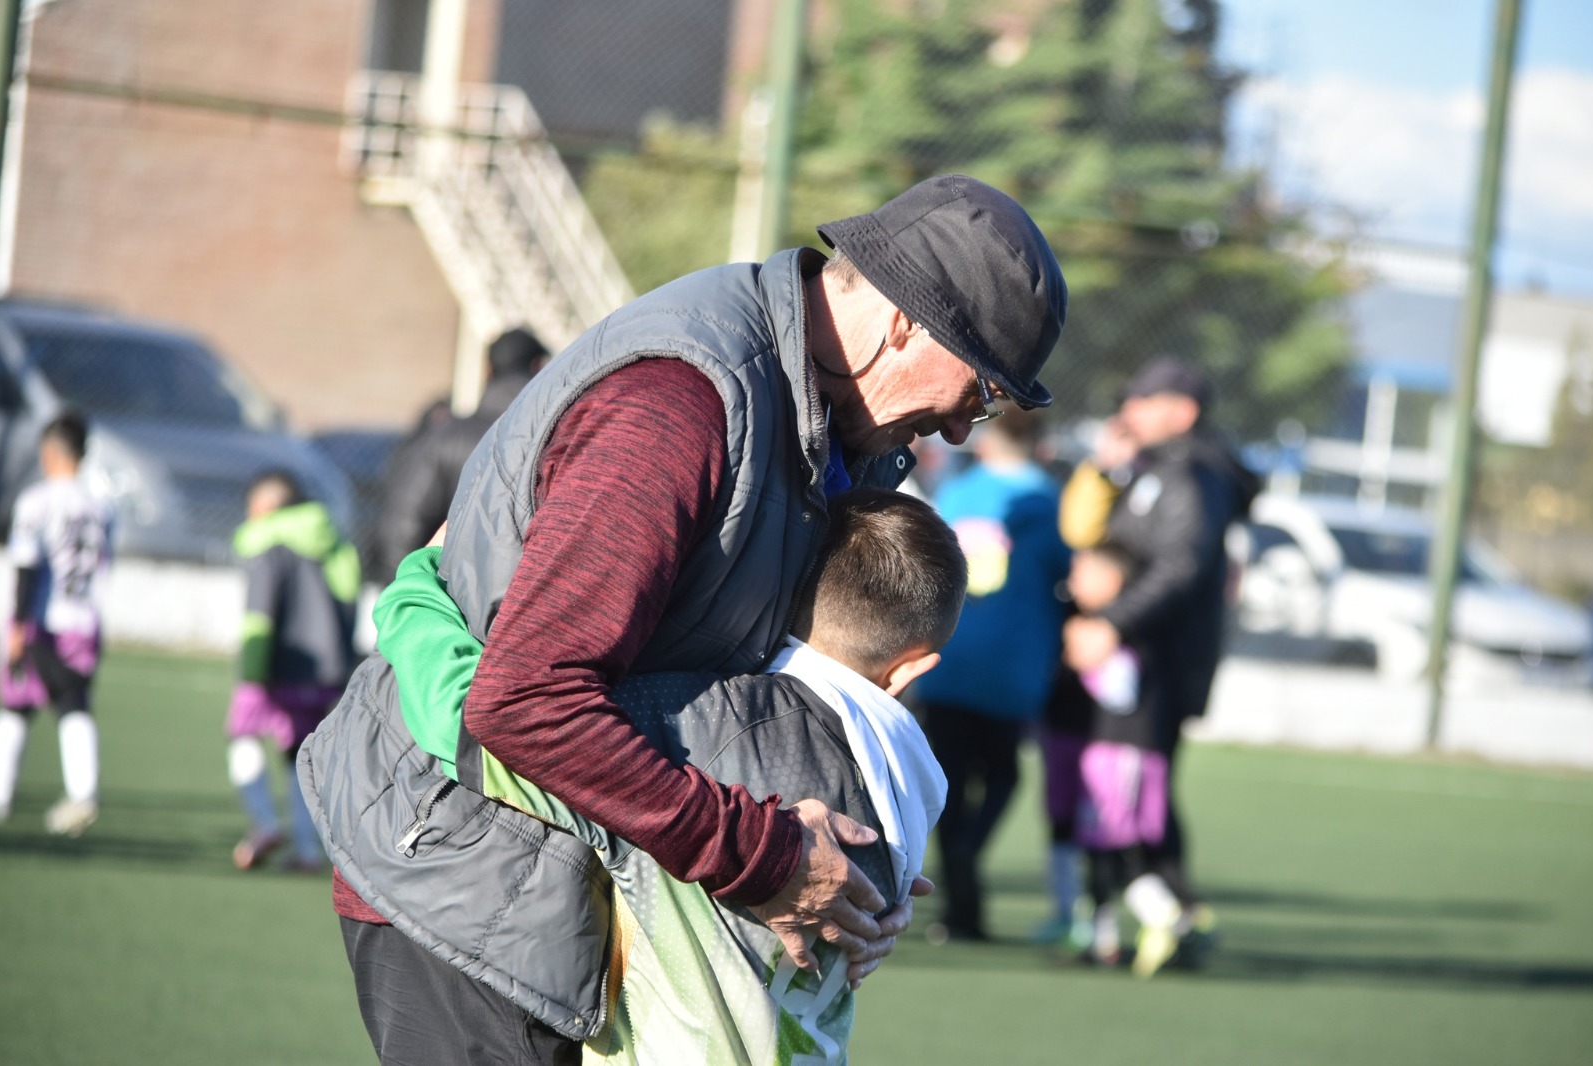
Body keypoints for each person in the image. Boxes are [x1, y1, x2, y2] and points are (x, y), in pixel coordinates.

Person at [300, 173, 1069, 1064]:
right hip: (469, 876)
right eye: (983, 390)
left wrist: (853, 868)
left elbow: (737, 684)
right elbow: (523, 702)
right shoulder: (678, 408)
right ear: (905, 324)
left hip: (593, 873)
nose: (967, 429)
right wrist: (768, 858)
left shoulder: (835, 429)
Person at [346, 487, 962, 1064]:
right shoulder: (911, 795)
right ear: (915, 669)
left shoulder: (699, 726)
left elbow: (484, 725)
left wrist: (416, 584)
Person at [1064, 357, 1259, 962]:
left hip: (1157, 667)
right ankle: (1178, 915)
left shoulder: (1192, 475)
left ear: (1183, 411)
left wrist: (1109, 622)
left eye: (1144, 401)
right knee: (1139, 793)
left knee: (1127, 793)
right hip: (1143, 661)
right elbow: (1087, 533)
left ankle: (1171, 914)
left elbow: (1181, 565)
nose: (1130, 412)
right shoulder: (1157, 469)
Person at [913, 405, 1072, 942]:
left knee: (948, 781)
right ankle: (967, 860)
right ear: (1040, 447)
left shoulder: (959, 493)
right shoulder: (1046, 502)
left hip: (949, 657)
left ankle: (960, 897)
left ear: (987, 443)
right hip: (1013, 665)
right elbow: (1065, 572)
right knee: (1003, 774)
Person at [1033, 413, 1140, 948]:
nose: (1076, 576)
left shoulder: (1125, 622)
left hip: (1108, 745)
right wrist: (1101, 465)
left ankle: (1104, 926)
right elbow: (1079, 527)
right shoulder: (1068, 605)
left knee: (1106, 833)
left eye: (1088, 569)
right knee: (1058, 818)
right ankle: (1065, 911)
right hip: (1061, 730)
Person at [226, 470, 360, 871]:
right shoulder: (333, 542)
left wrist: (252, 672)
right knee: (299, 758)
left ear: (264, 508)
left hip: (277, 668)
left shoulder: (268, 546)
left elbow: (259, 615)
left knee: (241, 736)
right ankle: (306, 851)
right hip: (323, 675)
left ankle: (265, 823)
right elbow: (349, 602)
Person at [1065, 541, 1185, 977]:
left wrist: (1083, 662)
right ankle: (1104, 939)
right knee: (1100, 850)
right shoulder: (1112, 626)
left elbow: (1121, 691)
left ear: (1112, 581)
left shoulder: (1119, 630)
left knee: (1114, 848)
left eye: (1084, 571)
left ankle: (1167, 915)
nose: (1074, 580)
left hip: (1120, 754)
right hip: (1108, 753)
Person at [0, 411, 113, 835]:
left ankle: (18, 794)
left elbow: (27, 568)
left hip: (44, 622)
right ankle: (76, 793)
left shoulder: (37, 501)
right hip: (85, 622)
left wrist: (16, 627)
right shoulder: (101, 506)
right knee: (64, 700)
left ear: (50, 452)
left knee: (21, 702)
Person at [375, 326, 548, 583]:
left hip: (444, 600)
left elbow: (403, 525)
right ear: (537, 367)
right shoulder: (551, 443)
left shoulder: (446, 436)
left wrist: (407, 598)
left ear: (487, 370)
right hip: (517, 606)